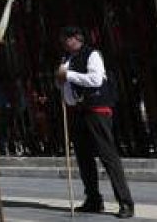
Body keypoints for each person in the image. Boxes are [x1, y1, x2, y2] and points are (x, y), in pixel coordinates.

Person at [56, 26, 134, 219]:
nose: (65, 43)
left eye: (67, 39)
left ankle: (125, 202)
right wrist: (61, 82)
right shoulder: (66, 60)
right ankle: (93, 198)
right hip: (78, 112)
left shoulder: (92, 55)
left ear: (76, 38)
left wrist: (69, 75)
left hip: (96, 110)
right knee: (84, 158)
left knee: (108, 156)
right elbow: (64, 84)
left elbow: (95, 79)